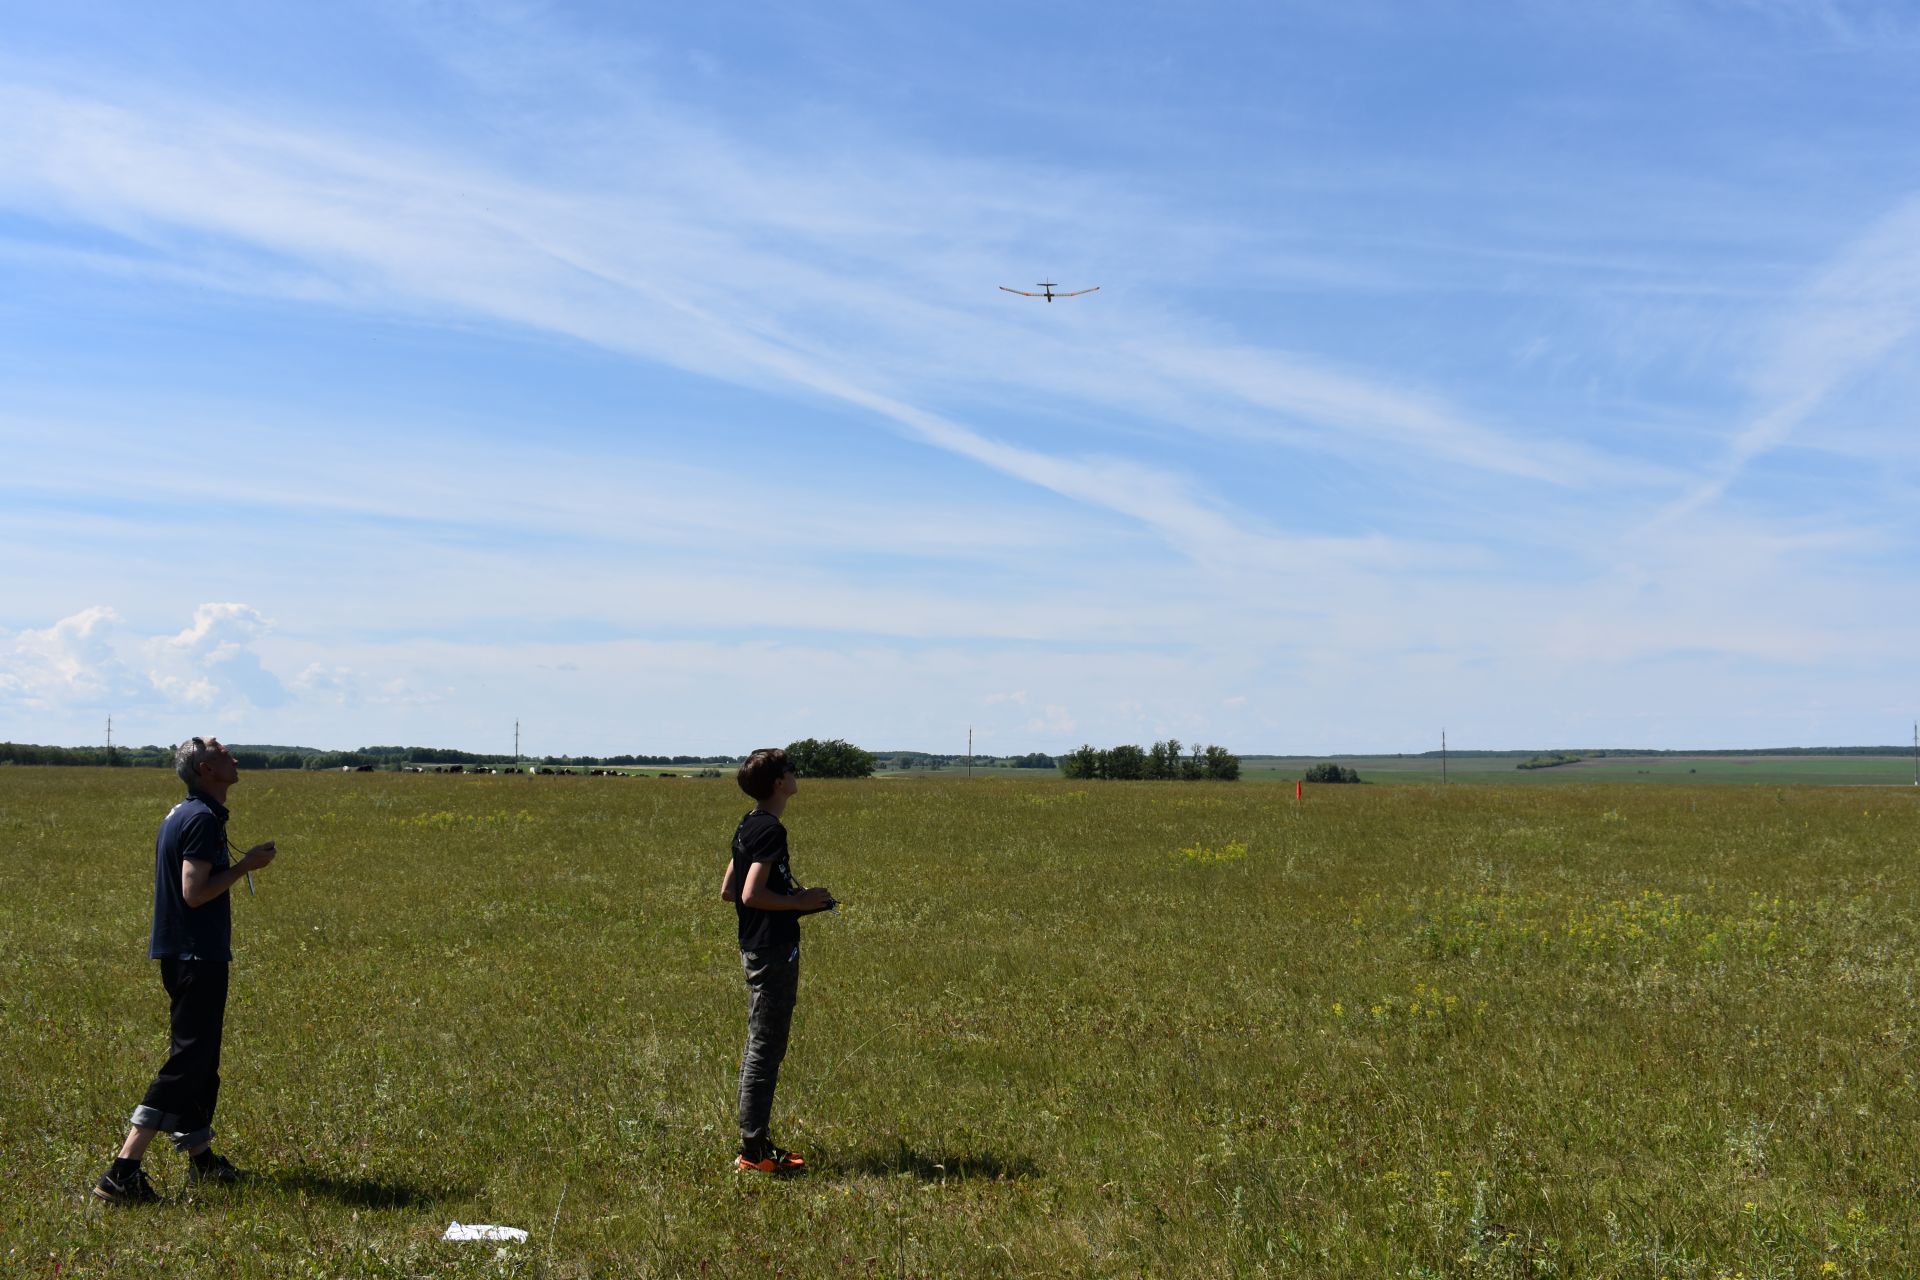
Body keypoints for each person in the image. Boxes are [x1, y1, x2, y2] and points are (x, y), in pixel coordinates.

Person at [93, 736, 277, 1205]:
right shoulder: (200, 819)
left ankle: (202, 1159)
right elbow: (194, 892)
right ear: (204, 769)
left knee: (202, 1060)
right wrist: (245, 866)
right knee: (187, 1061)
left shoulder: (188, 812)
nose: (231, 755)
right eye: (220, 751)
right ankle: (123, 1170)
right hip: (196, 956)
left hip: (189, 953)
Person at [719, 747, 834, 1174]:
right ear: (777, 784)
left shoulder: (749, 823)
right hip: (772, 950)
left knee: (760, 1045)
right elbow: (749, 894)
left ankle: (756, 1145)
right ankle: (754, 1154)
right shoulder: (770, 830)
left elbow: (728, 890)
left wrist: (795, 902)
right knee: (765, 1049)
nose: (794, 773)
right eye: (789, 769)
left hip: (756, 945)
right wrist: (799, 901)